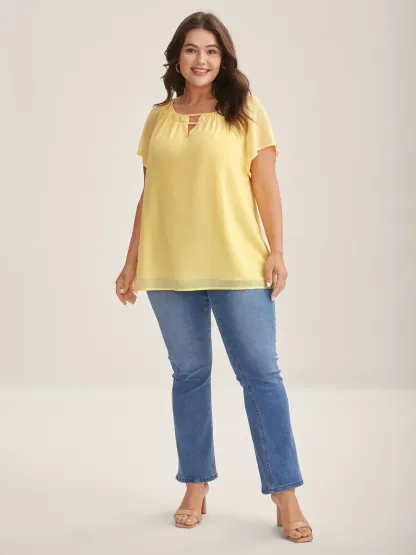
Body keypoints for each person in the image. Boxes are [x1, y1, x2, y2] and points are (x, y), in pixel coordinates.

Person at [115, 11, 313, 543]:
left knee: (262, 376)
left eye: (210, 51)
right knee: (189, 376)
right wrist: (131, 262)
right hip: (168, 266)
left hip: (237, 263)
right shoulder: (159, 117)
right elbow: (150, 195)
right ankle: (195, 484)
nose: (200, 60)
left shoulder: (246, 111)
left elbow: (266, 187)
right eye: (190, 50)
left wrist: (277, 251)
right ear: (177, 58)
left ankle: (285, 493)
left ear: (223, 59)